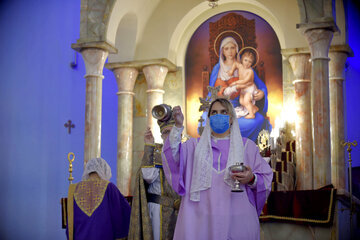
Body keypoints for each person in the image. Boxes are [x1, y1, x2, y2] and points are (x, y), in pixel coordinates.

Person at [162, 98, 273, 240]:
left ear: (232, 118)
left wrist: (251, 178)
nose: (218, 115)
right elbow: (171, 156)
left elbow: (266, 177)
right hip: (199, 219)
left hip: (238, 217)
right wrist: (178, 126)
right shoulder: (193, 147)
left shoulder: (248, 147)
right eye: (214, 112)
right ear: (208, 119)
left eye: (223, 112)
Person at [209, 36, 271, 141]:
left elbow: (260, 86)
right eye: (226, 48)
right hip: (222, 107)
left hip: (242, 106)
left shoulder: (244, 66)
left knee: (257, 120)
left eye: (232, 48)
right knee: (207, 121)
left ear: (237, 49)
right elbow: (212, 93)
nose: (230, 51)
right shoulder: (217, 69)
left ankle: (248, 149)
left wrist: (262, 93)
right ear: (222, 51)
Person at [128, 118, 180, 240]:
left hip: (182, 211)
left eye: (173, 131)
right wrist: (149, 146)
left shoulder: (185, 153)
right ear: (161, 136)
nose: (170, 135)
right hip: (159, 210)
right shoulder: (156, 153)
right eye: (166, 132)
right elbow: (148, 176)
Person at [66, 157, 131, 240]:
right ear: (104, 170)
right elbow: (120, 214)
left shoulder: (74, 189)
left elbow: (70, 222)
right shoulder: (109, 187)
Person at [225, 49, 259, 119]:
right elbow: (235, 64)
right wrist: (231, 70)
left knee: (246, 101)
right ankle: (254, 108)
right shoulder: (240, 66)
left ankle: (252, 114)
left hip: (249, 88)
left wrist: (235, 83)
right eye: (245, 60)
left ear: (252, 63)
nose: (247, 63)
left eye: (250, 62)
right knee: (241, 101)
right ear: (242, 59)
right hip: (243, 88)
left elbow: (245, 81)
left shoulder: (250, 71)